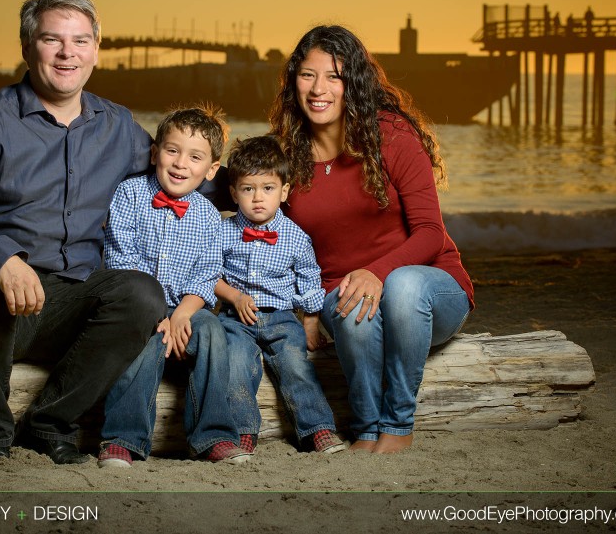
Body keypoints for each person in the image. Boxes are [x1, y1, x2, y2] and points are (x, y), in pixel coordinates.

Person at [0, 0, 166, 463]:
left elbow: (182, 177)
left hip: (74, 303)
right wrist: (0, 259)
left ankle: (50, 424)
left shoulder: (119, 127)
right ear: (28, 47)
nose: (67, 53)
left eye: (80, 40)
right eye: (53, 40)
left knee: (141, 293)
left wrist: (277, 182)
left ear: (96, 49)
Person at [269, 25, 474, 454]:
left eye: (334, 76)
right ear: (294, 81)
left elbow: (431, 234)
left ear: (354, 83)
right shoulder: (284, 156)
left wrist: (377, 272)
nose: (319, 89)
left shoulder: (391, 135)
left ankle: (398, 424)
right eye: (308, 75)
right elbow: (272, 235)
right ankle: (365, 428)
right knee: (350, 304)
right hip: (340, 293)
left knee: (401, 286)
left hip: (428, 292)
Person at [96, 105, 251, 467]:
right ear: (155, 153)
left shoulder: (209, 216)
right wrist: (154, 314)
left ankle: (213, 435)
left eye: (195, 157)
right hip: (135, 303)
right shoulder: (130, 194)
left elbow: (208, 273)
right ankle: (123, 438)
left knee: (213, 331)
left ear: (211, 169)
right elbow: (121, 259)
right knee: (144, 338)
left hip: (185, 308)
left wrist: (182, 314)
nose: (181, 163)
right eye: (172, 150)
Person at [216, 136, 345, 456]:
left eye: (268, 188)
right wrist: (235, 297)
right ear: (234, 193)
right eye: (248, 189)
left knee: (296, 366)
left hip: (282, 317)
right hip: (235, 318)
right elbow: (209, 275)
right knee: (235, 365)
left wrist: (311, 326)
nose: (258, 198)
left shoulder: (296, 238)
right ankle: (244, 431)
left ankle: (318, 430)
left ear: (284, 191)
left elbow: (310, 282)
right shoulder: (222, 231)